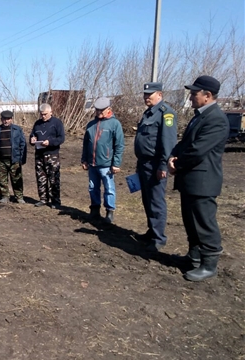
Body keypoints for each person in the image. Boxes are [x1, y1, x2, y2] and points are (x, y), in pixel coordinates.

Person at [168, 75, 229, 282]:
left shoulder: (216, 119)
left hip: (203, 182)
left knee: (204, 223)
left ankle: (209, 263)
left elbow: (198, 150)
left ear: (207, 95)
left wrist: (178, 162)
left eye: (194, 93)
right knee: (190, 221)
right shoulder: (199, 115)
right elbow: (184, 143)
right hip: (190, 180)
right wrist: (173, 156)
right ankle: (194, 257)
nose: (191, 97)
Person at [134, 82, 178, 251]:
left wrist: (163, 166)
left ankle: (159, 238)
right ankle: (152, 231)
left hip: (155, 165)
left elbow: (168, 143)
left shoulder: (166, 114)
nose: (146, 97)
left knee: (156, 201)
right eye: (145, 94)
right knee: (147, 199)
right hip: (144, 163)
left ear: (159, 94)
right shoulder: (148, 113)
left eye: (149, 94)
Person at [81, 97, 125, 223]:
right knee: (92, 187)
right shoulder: (91, 125)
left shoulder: (114, 124)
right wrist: (84, 160)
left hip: (106, 164)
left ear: (108, 109)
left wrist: (116, 163)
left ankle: (109, 211)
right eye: (97, 110)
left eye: (101, 111)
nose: (99, 113)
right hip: (92, 163)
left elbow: (119, 145)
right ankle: (94, 210)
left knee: (109, 188)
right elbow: (86, 144)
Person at [29, 103, 65, 209]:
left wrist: (50, 142)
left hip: (52, 154)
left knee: (53, 178)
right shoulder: (37, 123)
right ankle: (43, 199)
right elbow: (32, 134)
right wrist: (32, 139)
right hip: (39, 154)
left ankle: (55, 200)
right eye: (41, 114)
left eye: (45, 114)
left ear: (51, 112)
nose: (43, 116)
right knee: (41, 178)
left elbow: (61, 138)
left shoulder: (57, 123)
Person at [0, 110, 27, 203]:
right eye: (4, 119)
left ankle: (19, 197)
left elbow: (23, 144)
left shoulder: (17, 130)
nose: (6, 121)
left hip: (14, 159)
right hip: (1, 160)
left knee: (17, 179)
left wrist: (22, 159)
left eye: (8, 119)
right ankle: (4, 196)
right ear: (1, 119)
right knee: (1, 179)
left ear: (11, 119)